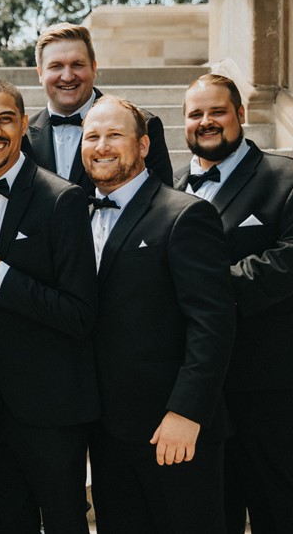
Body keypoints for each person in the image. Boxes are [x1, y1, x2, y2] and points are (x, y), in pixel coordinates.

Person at [176, 74, 293, 534]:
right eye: (195, 114)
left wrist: (204, 292)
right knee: (213, 503)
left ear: (241, 115)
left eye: (217, 111)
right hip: (206, 378)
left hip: (273, 378)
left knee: (274, 501)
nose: (206, 122)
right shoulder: (174, 187)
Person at [81, 95, 236, 534]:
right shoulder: (72, 213)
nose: (102, 146)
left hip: (173, 428)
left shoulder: (185, 215)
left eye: (115, 135)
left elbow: (212, 323)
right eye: (92, 136)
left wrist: (187, 413)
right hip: (106, 430)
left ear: (144, 146)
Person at [0, 79, 99, 534]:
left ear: (24, 125)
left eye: (4, 119)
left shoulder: (63, 199)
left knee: (64, 522)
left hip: (50, 407)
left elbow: (80, 313)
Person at [23, 23, 172, 194]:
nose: (68, 76)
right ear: (40, 73)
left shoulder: (144, 125)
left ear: (94, 68)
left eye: (77, 64)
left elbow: (163, 202)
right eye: (56, 66)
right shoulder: (22, 136)